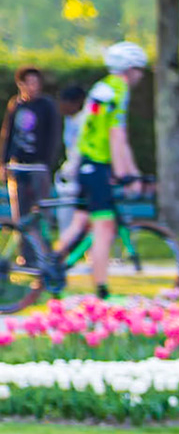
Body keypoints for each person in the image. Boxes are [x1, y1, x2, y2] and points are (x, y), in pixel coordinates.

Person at [48, 41, 148, 299]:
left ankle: (51, 264)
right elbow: (117, 137)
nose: (141, 75)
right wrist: (128, 174)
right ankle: (102, 291)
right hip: (97, 165)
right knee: (104, 228)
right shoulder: (118, 90)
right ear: (129, 69)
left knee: (80, 221)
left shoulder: (101, 88)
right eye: (139, 69)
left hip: (86, 165)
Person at [1, 67, 59, 224]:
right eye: (28, 82)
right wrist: (4, 162)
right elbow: (8, 134)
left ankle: (42, 247)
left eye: (35, 82)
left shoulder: (46, 105)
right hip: (18, 167)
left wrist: (47, 163)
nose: (32, 86)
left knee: (41, 213)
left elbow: (53, 135)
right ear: (21, 84)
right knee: (20, 216)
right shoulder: (16, 105)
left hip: (38, 167)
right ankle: (24, 247)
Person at [52, 83, 88, 237]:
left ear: (76, 102)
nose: (61, 107)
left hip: (83, 174)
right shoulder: (69, 119)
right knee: (66, 217)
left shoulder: (86, 120)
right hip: (70, 174)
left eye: (64, 103)